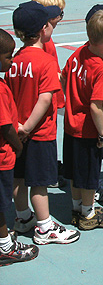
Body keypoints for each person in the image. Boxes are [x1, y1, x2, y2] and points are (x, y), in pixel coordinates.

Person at [7, 2, 80, 245]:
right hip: (38, 133)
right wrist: (28, 126)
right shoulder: (46, 61)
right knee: (39, 182)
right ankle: (44, 227)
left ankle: (22, 217)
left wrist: (18, 127)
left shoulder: (14, 59)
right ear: (43, 29)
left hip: (15, 131)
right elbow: (45, 97)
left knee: (19, 178)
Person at [61, 10, 103, 231]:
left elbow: (64, 78)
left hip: (71, 125)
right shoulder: (101, 68)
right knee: (89, 175)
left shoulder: (79, 53)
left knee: (73, 171)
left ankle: (76, 207)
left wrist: (72, 99)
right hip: (88, 130)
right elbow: (96, 106)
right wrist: (102, 133)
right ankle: (88, 213)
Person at [0, 29, 39, 266]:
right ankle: (5, 246)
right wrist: (18, 146)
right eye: (7, 56)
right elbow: (5, 127)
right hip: (3, 156)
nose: (12, 61)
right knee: (2, 204)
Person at [32, 0, 67, 188]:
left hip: (53, 93)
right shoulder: (44, 42)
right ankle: (48, 173)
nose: (61, 17)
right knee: (47, 135)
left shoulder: (47, 40)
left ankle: (50, 165)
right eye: (59, 13)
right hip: (50, 94)